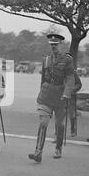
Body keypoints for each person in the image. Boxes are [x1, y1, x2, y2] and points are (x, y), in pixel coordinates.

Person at [28, 34, 74, 163]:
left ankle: (58, 148)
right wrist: (41, 91)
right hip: (46, 95)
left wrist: (67, 93)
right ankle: (38, 152)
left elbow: (70, 77)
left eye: (56, 44)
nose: (53, 47)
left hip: (60, 96)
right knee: (43, 123)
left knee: (59, 125)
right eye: (52, 44)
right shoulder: (46, 59)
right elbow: (44, 78)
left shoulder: (67, 59)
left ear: (61, 45)